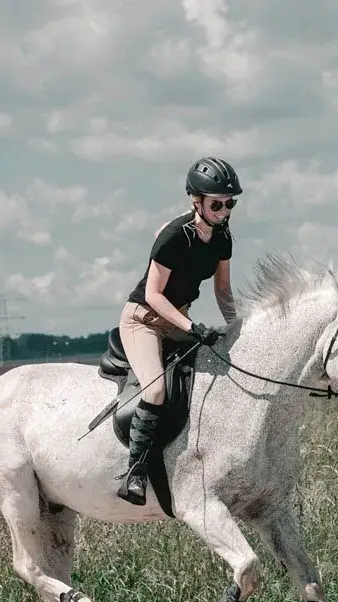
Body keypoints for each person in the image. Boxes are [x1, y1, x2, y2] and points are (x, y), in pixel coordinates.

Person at [115, 156, 242, 505]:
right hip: (144, 320)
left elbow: (223, 291)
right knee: (156, 390)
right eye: (217, 204)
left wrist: (237, 328)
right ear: (196, 201)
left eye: (230, 204)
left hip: (178, 320)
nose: (224, 211)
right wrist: (191, 326)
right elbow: (154, 295)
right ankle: (134, 474)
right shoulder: (174, 236)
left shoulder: (223, 238)